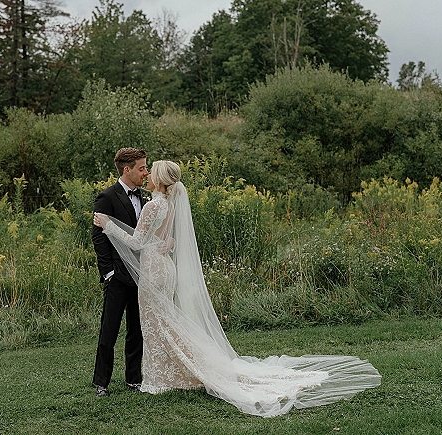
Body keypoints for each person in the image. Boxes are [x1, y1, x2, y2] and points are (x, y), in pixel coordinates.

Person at [93, 160, 381, 417]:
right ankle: (165, 374)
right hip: (165, 268)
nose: (148, 173)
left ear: (160, 178)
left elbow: (136, 243)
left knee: (156, 323)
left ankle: (160, 379)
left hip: (154, 270)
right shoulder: (168, 204)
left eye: (151, 170)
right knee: (162, 322)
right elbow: (162, 239)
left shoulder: (154, 204)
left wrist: (108, 225)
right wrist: (159, 243)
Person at [91, 147, 149, 397]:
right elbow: (99, 238)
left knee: (137, 329)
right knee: (109, 330)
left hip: (141, 275)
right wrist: (108, 273)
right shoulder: (107, 197)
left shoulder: (146, 197)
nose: (145, 172)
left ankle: (133, 379)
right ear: (127, 170)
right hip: (117, 276)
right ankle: (102, 382)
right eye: (142, 168)